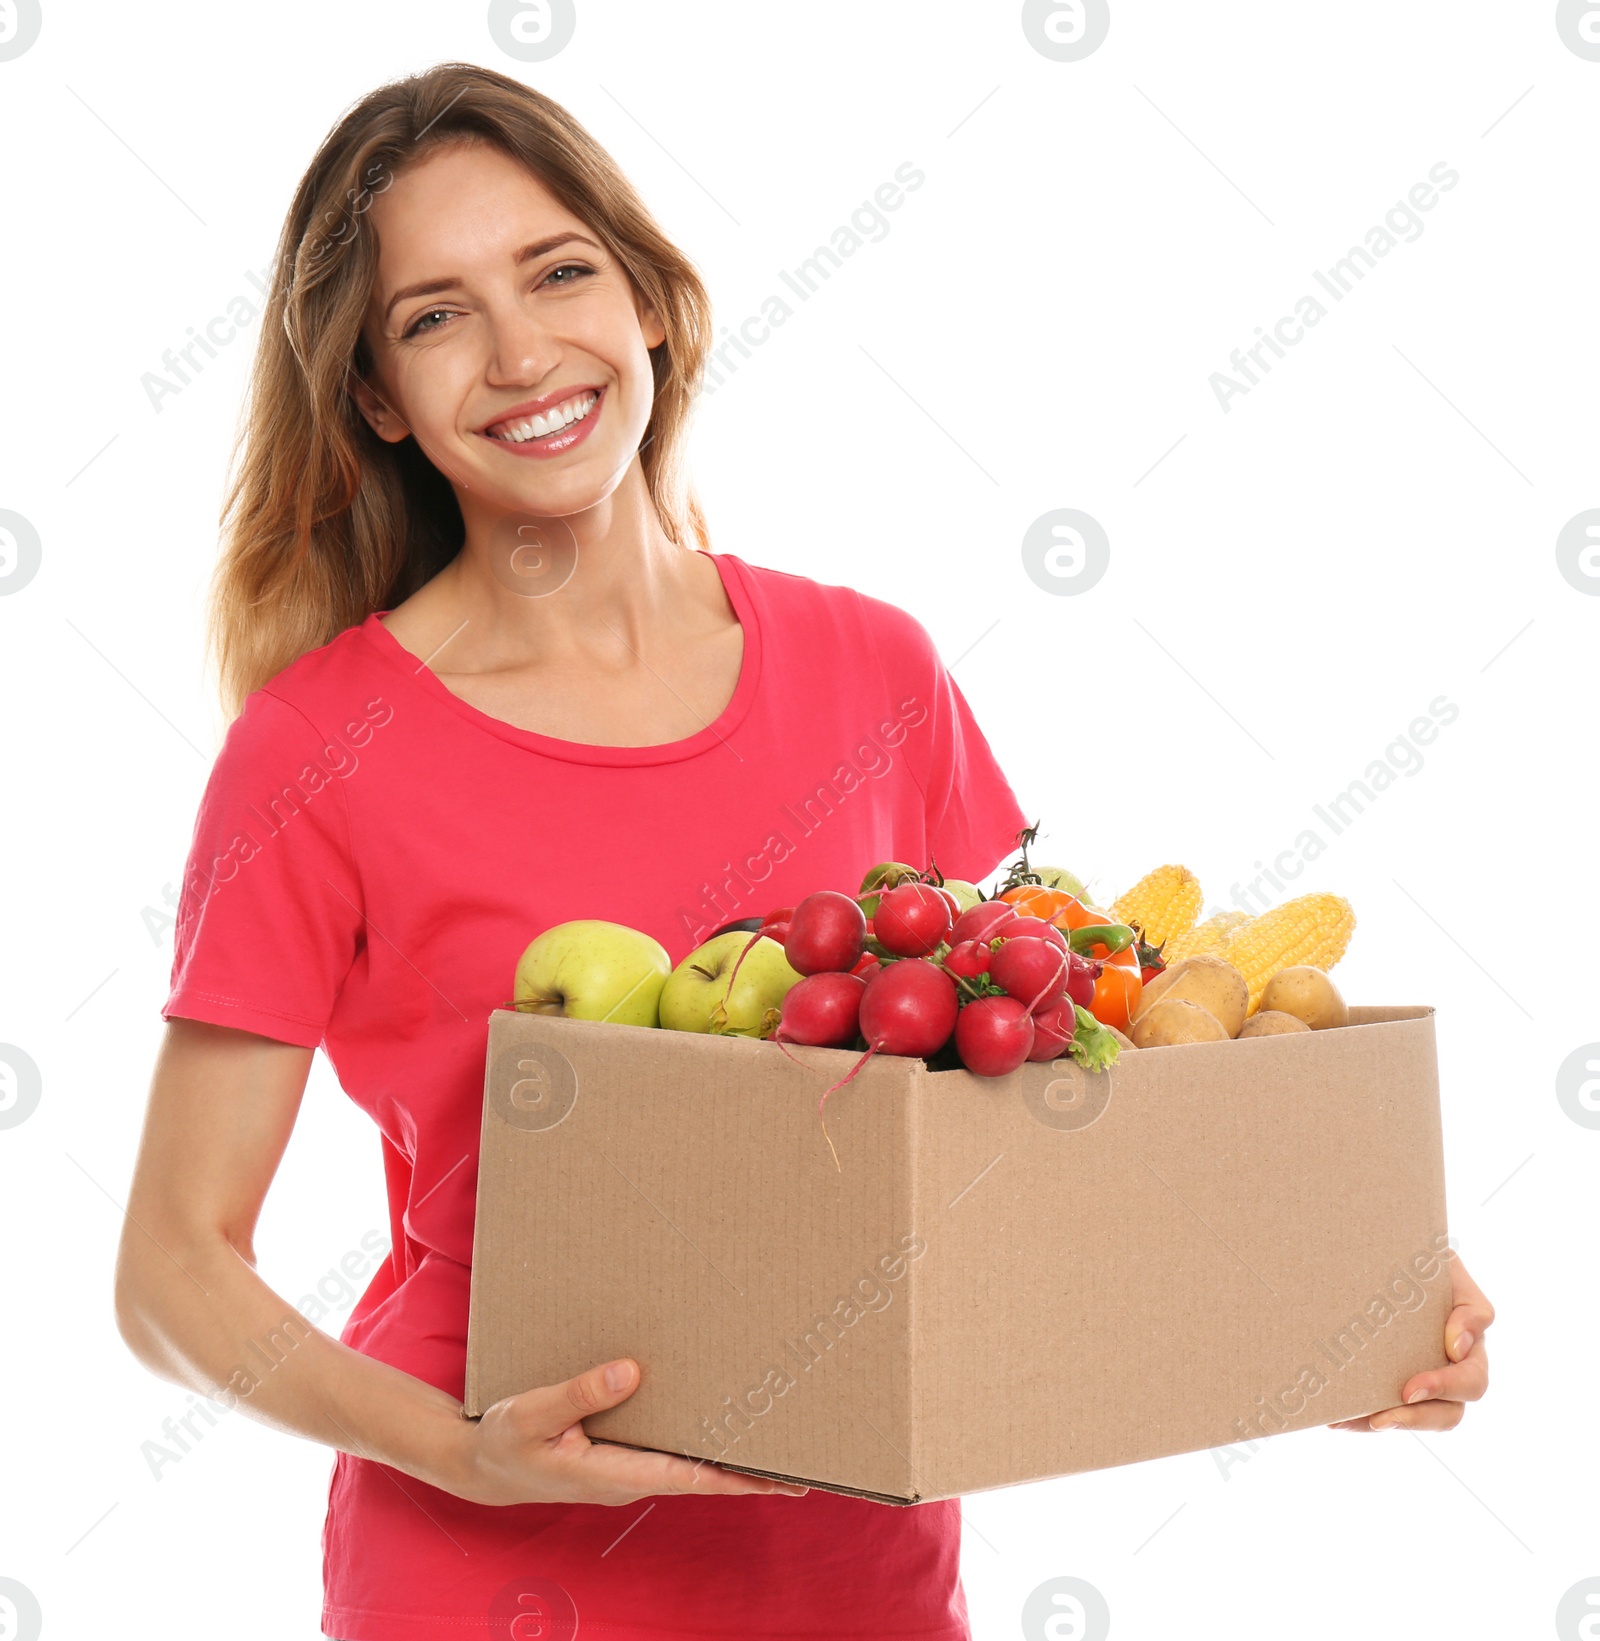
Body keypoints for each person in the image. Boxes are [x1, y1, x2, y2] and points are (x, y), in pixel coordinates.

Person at [112, 61, 1493, 1641]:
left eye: (558, 271)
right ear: (374, 398)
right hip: (486, 1581)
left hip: (859, 1587)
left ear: (646, 300)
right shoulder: (316, 752)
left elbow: (1042, 1090)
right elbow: (170, 1266)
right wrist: (463, 1457)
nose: (519, 353)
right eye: (433, 316)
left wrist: (1341, 1291)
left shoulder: (871, 672)